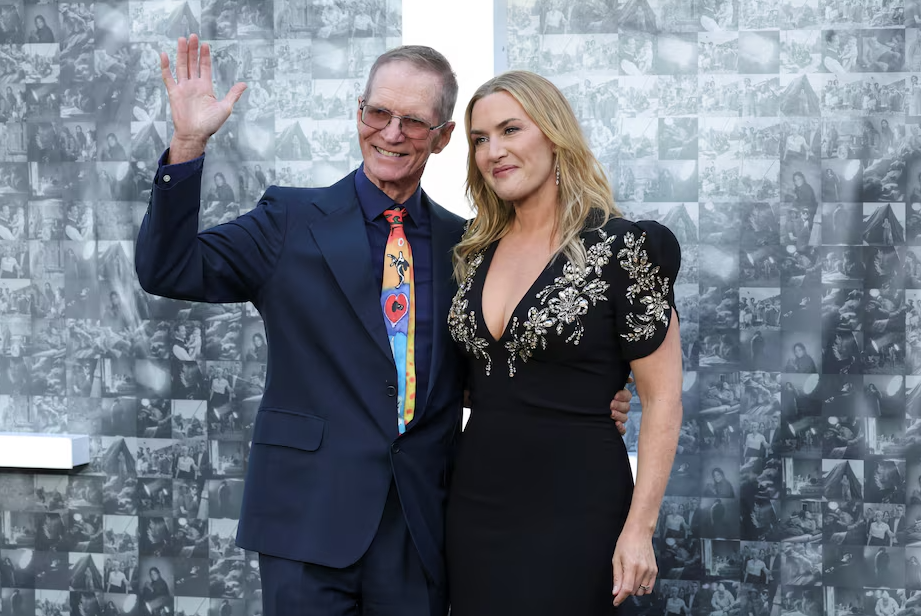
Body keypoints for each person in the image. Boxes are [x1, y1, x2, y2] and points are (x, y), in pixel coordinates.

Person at [137, 35, 635, 616]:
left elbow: (483, 367)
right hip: (307, 524)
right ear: (360, 114)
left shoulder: (468, 246)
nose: (391, 133)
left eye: (414, 122)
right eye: (378, 113)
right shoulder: (288, 220)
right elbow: (167, 269)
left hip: (421, 528)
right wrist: (188, 145)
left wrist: (582, 397)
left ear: (443, 137)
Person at [446, 71, 683, 615]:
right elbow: (477, 378)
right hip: (475, 502)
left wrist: (639, 529)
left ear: (554, 136)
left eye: (510, 130)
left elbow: (664, 399)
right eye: (480, 139)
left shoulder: (624, 248)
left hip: (578, 505)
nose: (493, 151)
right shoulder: (471, 251)